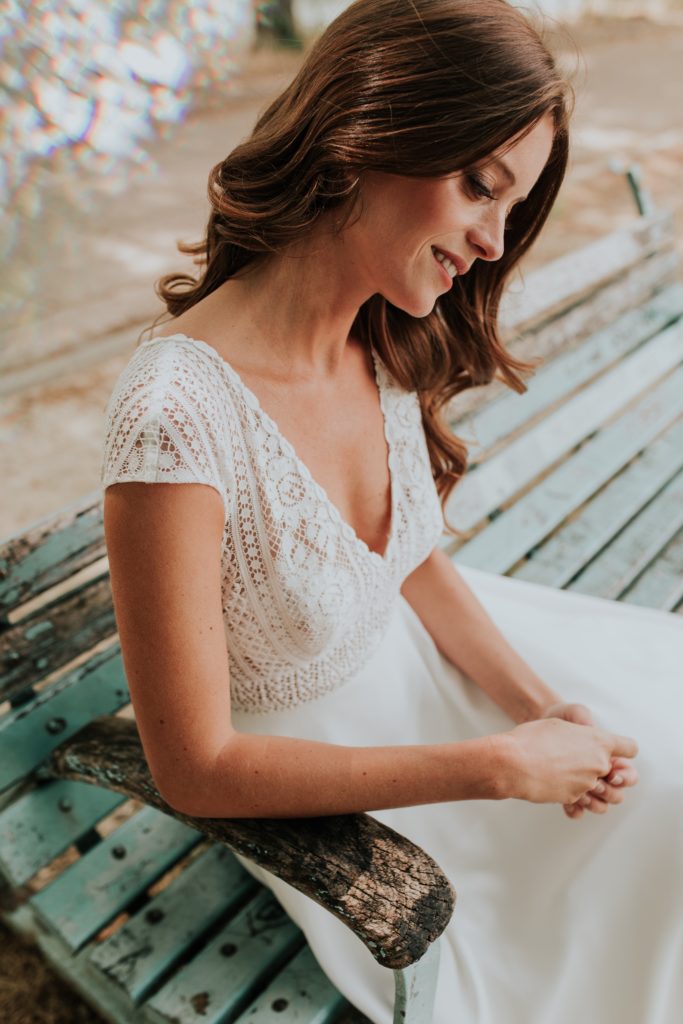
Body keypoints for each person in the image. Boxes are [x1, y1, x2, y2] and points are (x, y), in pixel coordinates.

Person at [100, 1, 683, 1021]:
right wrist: (497, 768)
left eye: (513, 205)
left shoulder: (378, 340)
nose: (494, 241)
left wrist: (532, 704)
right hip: (357, 796)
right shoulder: (174, 415)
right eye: (478, 187)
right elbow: (194, 765)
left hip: (443, 690)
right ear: (369, 129)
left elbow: (411, 562)